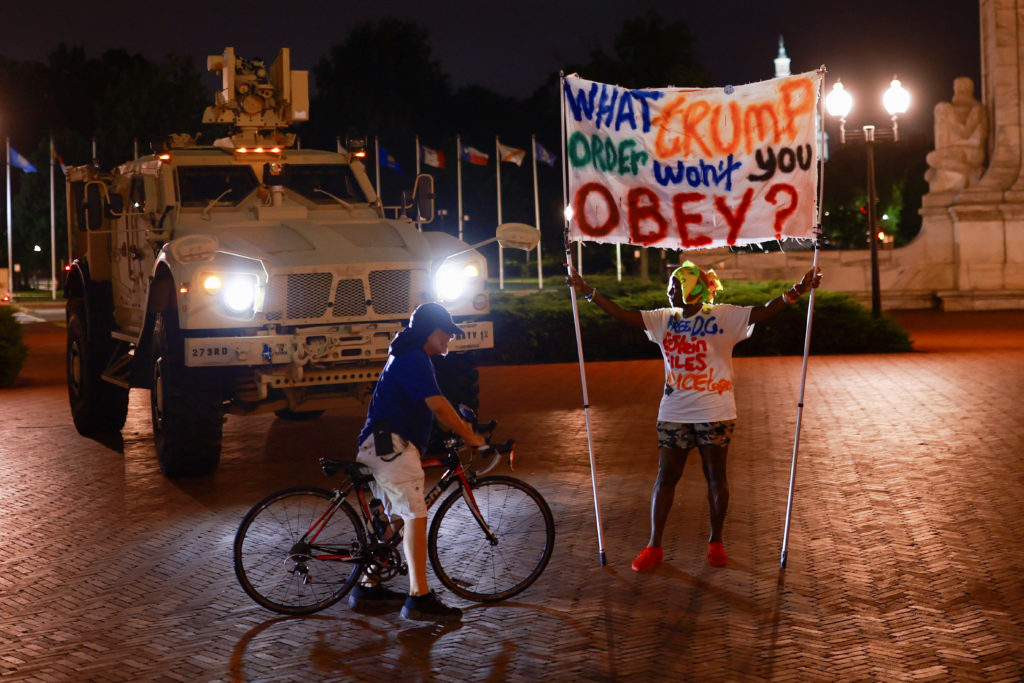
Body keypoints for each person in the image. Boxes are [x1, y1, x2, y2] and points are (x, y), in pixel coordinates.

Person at [566, 260, 822, 570]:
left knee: (716, 477)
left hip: (716, 411)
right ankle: (653, 547)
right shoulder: (663, 320)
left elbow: (764, 310)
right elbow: (622, 313)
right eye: (670, 285)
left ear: (693, 289)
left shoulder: (723, 316)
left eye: (675, 285)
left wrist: (798, 290)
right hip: (674, 413)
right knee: (665, 478)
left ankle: (716, 542)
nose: (669, 290)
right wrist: (586, 291)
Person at [349, 302, 485, 622]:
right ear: (431, 332)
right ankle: (419, 597)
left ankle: (368, 587)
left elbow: (429, 407)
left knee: (397, 515)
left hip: (379, 445)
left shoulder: (408, 354)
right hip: (391, 447)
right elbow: (437, 405)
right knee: (415, 514)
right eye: (447, 333)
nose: (451, 338)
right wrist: (470, 435)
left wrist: (456, 426)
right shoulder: (413, 357)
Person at [925, 77, 987, 193]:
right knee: (929, 173)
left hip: (971, 153)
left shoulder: (977, 108)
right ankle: (969, 172)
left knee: (932, 159)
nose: (956, 91)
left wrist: (950, 115)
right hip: (958, 151)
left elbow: (965, 133)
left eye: (958, 88)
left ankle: (971, 172)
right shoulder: (955, 108)